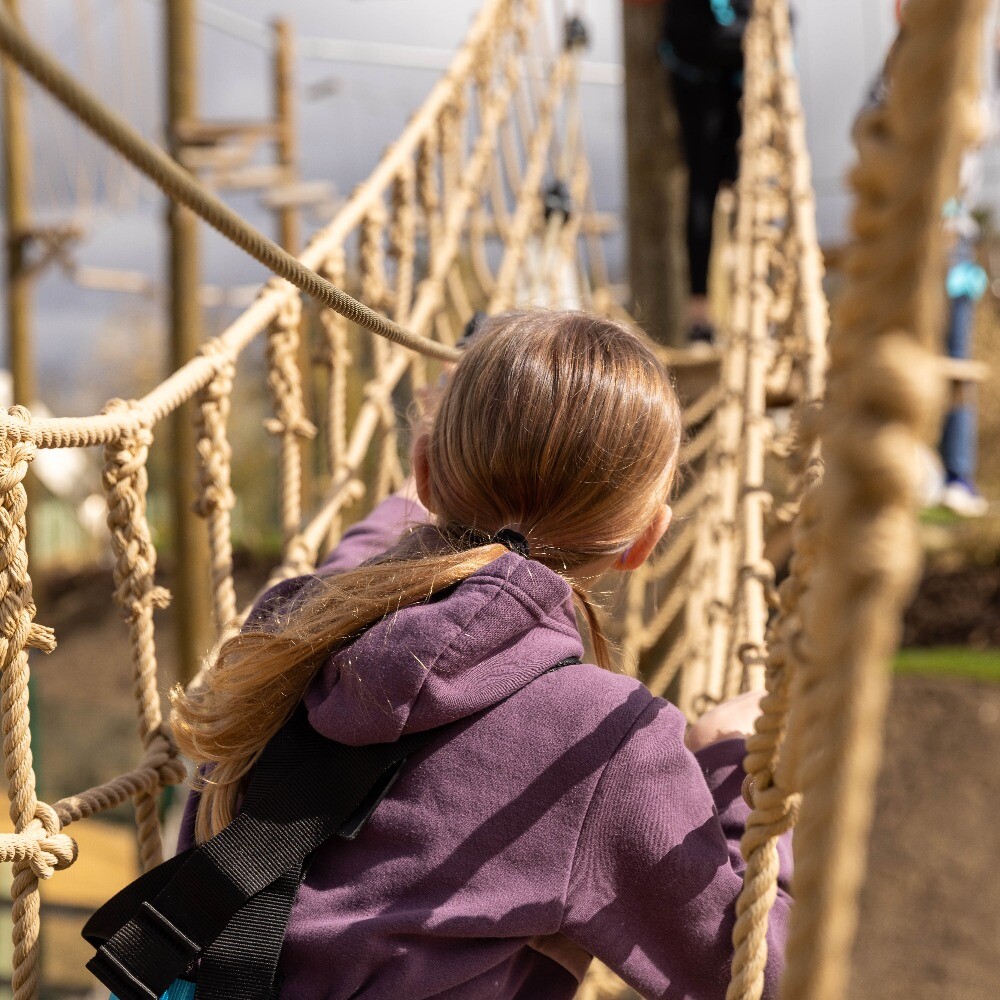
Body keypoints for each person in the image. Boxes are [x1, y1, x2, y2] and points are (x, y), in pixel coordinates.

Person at [170, 310, 792, 999]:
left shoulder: (289, 626)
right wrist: (731, 766)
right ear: (646, 539)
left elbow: (357, 567)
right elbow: (762, 978)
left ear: (424, 474)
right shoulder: (604, 740)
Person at [660, 0, 750, 345]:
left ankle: (703, 312)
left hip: (705, 68)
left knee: (707, 187)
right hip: (714, 65)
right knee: (727, 187)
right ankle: (718, 308)